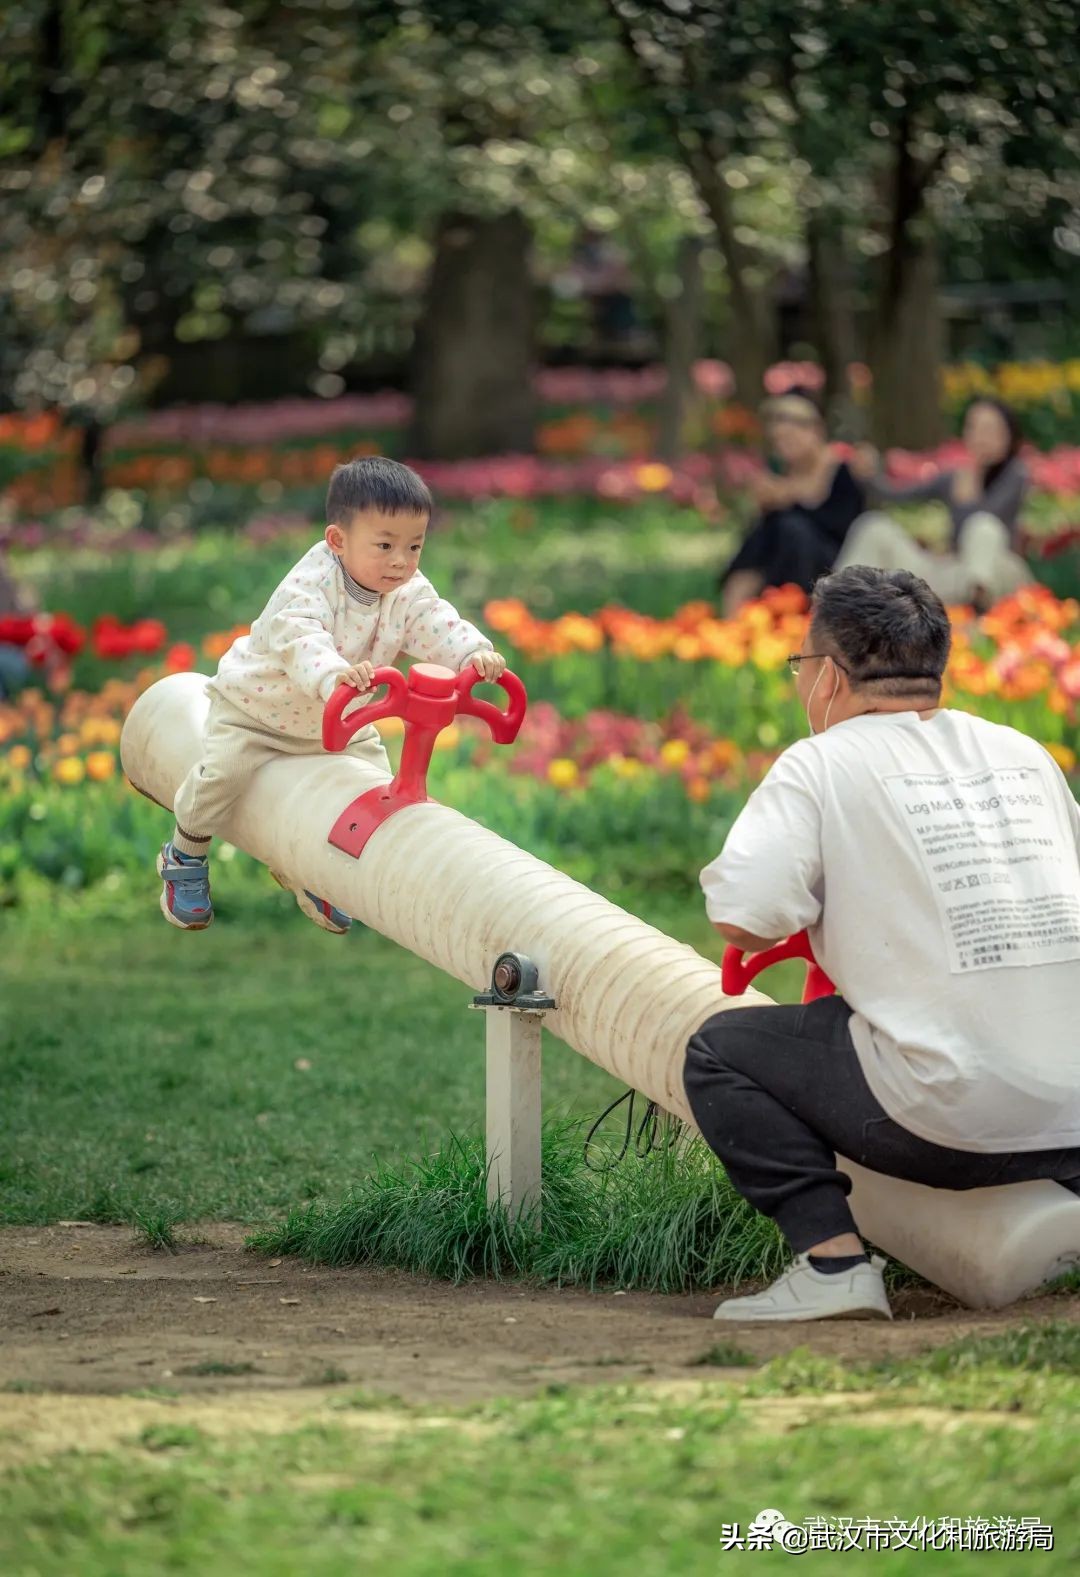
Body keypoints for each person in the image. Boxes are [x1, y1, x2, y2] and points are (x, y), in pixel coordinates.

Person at [685, 565, 1080, 1322]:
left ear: (828, 676)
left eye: (801, 665)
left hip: (945, 1120)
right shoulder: (1025, 754)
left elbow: (745, 915)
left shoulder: (823, 762)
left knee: (718, 1050)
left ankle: (832, 1264)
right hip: (1075, 1114)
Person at [158, 456, 506, 932]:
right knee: (224, 774)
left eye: (414, 546)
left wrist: (472, 655)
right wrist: (334, 676)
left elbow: (434, 620)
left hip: (340, 722)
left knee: (374, 787)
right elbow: (300, 637)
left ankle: (315, 871)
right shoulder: (308, 586)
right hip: (258, 713)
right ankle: (185, 856)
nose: (401, 561)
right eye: (384, 545)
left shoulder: (405, 588)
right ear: (338, 541)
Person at [842, 398, 1031, 607]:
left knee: (983, 527)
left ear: (1009, 436)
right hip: (955, 575)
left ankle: (977, 611)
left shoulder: (1016, 475)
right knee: (874, 526)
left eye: (989, 429)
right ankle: (836, 602)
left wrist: (970, 487)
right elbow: (896, 495)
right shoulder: (955, 478)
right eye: (973, 427)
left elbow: (987, 517)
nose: (980, 436)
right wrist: (869, 475)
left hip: (998, 574)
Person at [719, 389, 865, 617]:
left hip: (834, 572)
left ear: (816, 430)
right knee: (775, 526)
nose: (783, 437)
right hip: (783, 566)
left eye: (792, 433)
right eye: (779, 438)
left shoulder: (842, 469)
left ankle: (766, 610)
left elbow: (846, 527)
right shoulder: (779, 476)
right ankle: (740, 608)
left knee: (790, 527)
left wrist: (788, 497)